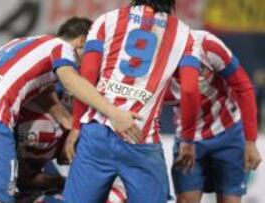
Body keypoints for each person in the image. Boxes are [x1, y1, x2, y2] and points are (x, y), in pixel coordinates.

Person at [0, 16, 142, 203]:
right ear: (82, 41)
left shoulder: (21, 43)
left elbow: (38, 88)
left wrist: (67, 120)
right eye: (95, 53)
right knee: (1, 198)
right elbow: (71, 82)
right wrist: (113, 112)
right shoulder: (61, 47)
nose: (93, 64)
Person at [63, 0, 202, 202]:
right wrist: (188, 140)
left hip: (96, 133)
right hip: (141, 138)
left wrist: (77, 125)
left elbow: (88, 76)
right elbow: (189, 91)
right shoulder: (187, 36)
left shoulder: (106, 20)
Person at [166, 30, 262, 203]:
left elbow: (244, 87)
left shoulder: (208, 45)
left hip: (228, 133)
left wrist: (250, 140)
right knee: (186, 199)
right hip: (188, 139)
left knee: (230, 200)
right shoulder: (151, 66)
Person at [15, 86, 127, 203]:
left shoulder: (52, 140)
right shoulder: (48, 133)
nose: (69, 162)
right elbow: (24, 179)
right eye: (75, 156)